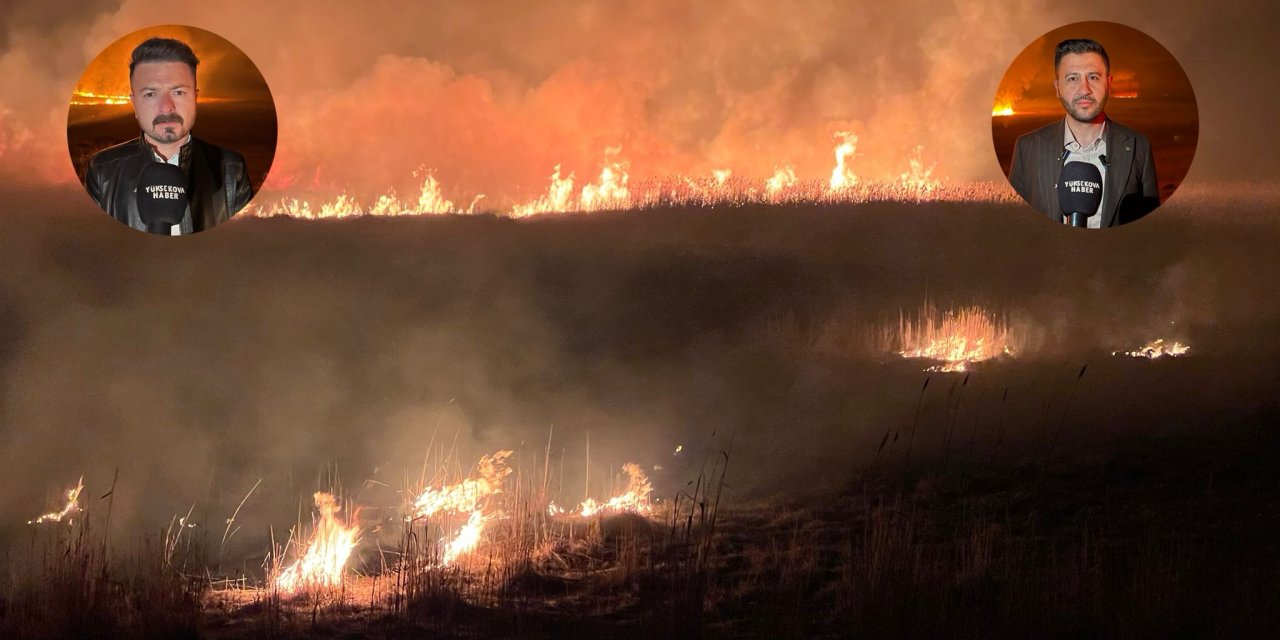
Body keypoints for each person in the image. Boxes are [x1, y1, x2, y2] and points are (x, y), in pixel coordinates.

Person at [84, 37, 252, 234]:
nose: (166, 107)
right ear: (134, 104)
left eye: (179, 92)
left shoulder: (231, 169)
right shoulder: (103, 171)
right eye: (150, 94)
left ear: (195, 98)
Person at [1008, 38, 1159, 228]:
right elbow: (1014, 225)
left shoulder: (1138, 146)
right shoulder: (1028, 147)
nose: (1084, 89)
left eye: (1094, 77)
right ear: (1057, 88)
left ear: (1109, 83)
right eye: (1072, 78)